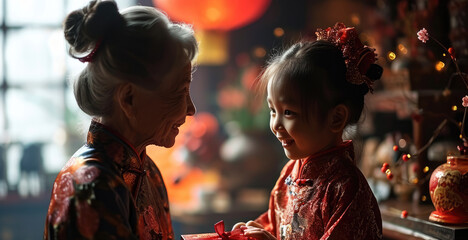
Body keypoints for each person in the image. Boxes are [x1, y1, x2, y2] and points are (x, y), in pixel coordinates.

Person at [44, 0, 198, 239]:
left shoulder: (148, 170)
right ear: (128, 99)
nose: (191, 109)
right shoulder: (91, 186)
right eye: (180, 92)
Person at [234, 23, 383, 239]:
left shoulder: (345, 188)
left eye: (288, 112)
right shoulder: (289, 173)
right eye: (272, 111)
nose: (275, 124)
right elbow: (274, 226)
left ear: (336, 117)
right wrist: (251, 231)